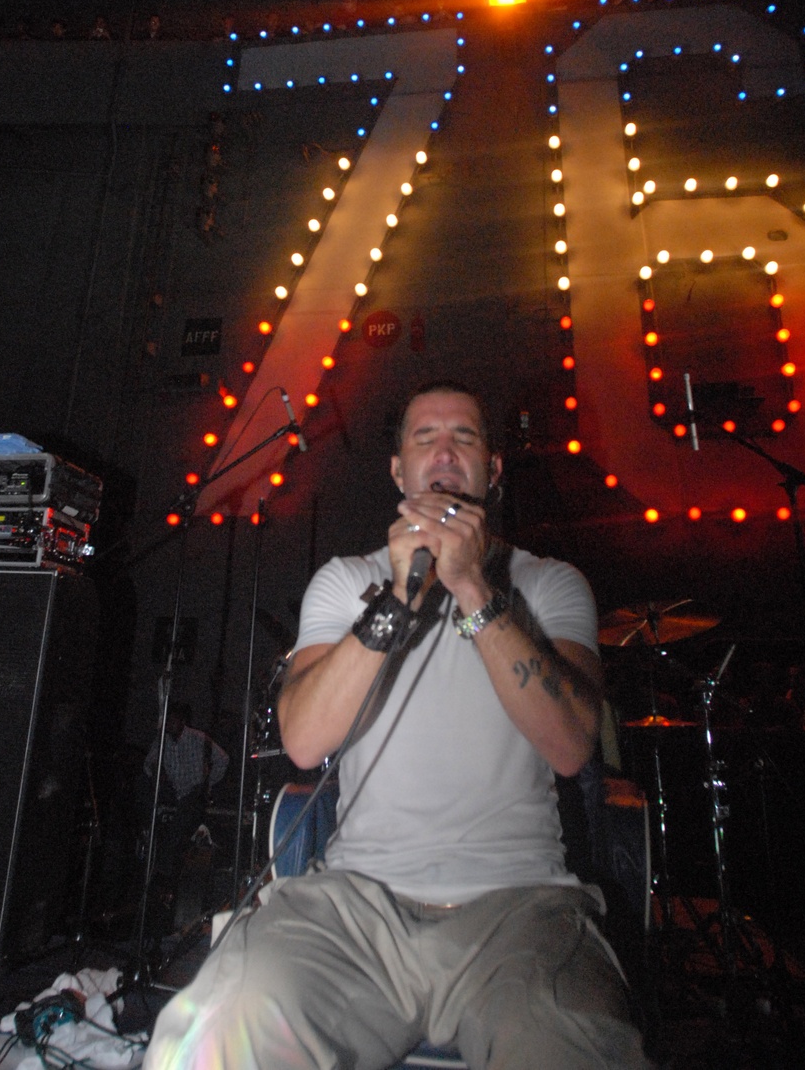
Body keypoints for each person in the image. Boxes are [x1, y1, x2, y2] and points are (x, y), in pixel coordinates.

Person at [146, 382, 647, 1069]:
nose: (444, 452)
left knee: (571, 1044)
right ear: (398, 472)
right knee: (219, 1021)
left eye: (464, 438)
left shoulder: (552, 583)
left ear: (493, 471)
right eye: (424, 438)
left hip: (518, 910)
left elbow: (570, 746)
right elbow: (304, 739)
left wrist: (470, 586)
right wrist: (403, 596)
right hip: (355, 911)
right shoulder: (343, 579)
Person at [143, 703, 228, 881]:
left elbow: (223, 759)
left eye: (172, 720)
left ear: (181, 721)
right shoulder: (162, 740)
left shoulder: (198, 739)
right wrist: (157, 773)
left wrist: (208, 782)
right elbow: (148, 764)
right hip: (173, 791)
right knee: (144, 791)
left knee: (187, 810)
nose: (169, 724)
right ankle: (144, 843)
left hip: (194, 792)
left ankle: (164, 866)